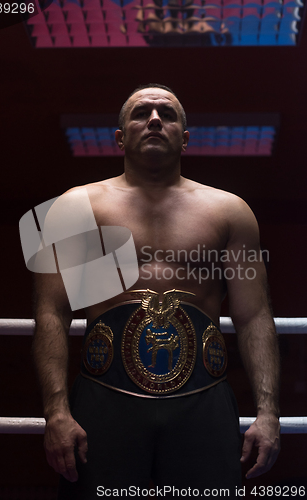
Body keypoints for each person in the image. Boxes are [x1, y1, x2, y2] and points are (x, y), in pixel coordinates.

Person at [32, 83, 280, 499]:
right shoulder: (77, 206)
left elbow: (254, 315)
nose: (153, 120)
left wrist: (269, 413)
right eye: (140, 112)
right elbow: (50, 313)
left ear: (184, 137)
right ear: (119, 137)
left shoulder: (229, 210)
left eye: (166, 114)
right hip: (104, 398)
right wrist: (56, 412)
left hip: (202, 401)